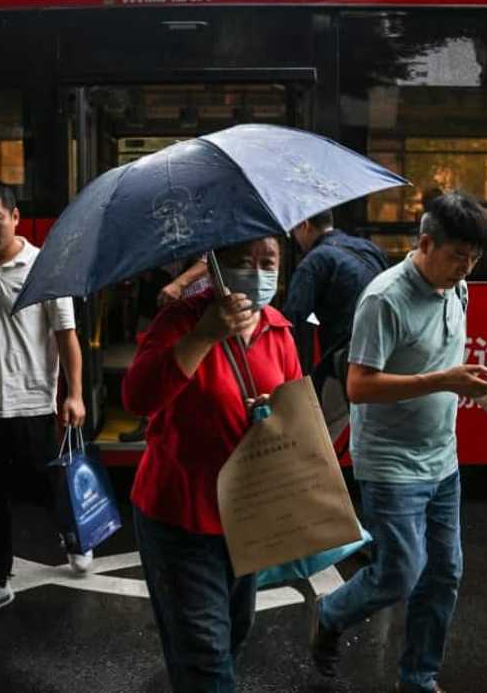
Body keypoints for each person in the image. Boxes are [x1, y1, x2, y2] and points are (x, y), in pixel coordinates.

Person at [309, 193, 487, 693]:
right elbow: (359, 386)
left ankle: (418, 677)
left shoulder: (458, 289)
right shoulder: (385, 299)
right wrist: (445, 381)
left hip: (442, 460)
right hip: (389, 464)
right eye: (457, 257)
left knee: (445, 574)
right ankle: (331, 613)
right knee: (399, 574)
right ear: (425, 243)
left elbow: (448, 364)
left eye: (474, 260)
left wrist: (484, 396)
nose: (465, 270)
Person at [123, 236, 302, 692]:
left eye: (268, 262)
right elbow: (138, 397)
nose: (258, 272)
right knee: (204, 655)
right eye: (243, 261)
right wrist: (205, 335)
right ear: (215, 266)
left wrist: (275, 413)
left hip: (246, 517)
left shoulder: (278, 329)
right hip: (181, 515)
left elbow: (297, 407)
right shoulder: (181, 321)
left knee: (231, 635)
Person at [0, 178, 87, 626]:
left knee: (49, 487)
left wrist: (75, 395)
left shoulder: (44, 269)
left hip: (32, 404)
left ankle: (75, 537)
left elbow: (67, 337)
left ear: (15, 218)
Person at [284, 208, 390, 362]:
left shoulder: (314, 261)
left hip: (344, 359)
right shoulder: (370, 248)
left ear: (305, 225)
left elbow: (294, 318)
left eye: (294, 230)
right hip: (384, 347)